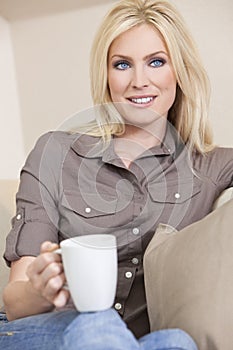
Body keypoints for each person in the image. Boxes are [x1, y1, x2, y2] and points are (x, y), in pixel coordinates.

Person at [1, 0, 233, 348]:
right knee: (99, 321)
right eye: (122, 64)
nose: (139, 81)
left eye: (157, 62)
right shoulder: (55, 153)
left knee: (176, 342)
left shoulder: (212, 166)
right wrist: (41, 289)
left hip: (135, 341)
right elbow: (16, 304)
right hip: (39, 332)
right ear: (106, 76)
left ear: (180, 72)